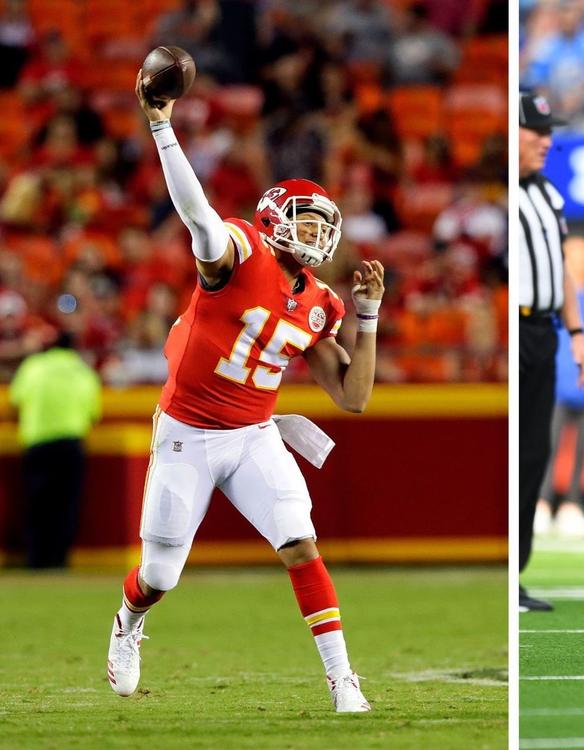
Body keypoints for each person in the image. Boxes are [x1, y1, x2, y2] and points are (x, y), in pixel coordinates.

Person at [106, 73, 384, 712]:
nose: (315, 236)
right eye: (304, 222)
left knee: (300, 542)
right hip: (187, 433)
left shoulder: (321, 302)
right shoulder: (237, 251)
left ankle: (344, 681)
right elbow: (197, 215)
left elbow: (354, 396)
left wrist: (367, 317)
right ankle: (128, 618)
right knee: (159, 575)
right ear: (271, 220)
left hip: (255, 433)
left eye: (322, 226)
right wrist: (162, 127)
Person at [518, 91, 584, 612]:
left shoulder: (547, 193)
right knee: (513, 455)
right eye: (535, 131)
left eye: (549, 132)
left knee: (534, 453)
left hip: (544, 332)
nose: (546, 141)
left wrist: (578, 331)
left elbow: (561, 265)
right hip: (516, 327)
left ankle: (515, 573)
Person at [536, 236, 584, 539]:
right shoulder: (552, 299)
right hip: (557, 386)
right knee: (547, 447)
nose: (581, 261)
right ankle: (541, 504)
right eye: (574, 255)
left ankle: (572, 504)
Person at [10, 330, 101, 568]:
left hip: (37, 443)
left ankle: (36, 559)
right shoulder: (84, 372)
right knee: (66, 505)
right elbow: (94, 413)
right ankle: (59, 559)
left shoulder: (33, 367)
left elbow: (15, 400)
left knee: (37, 503)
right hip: (71, 444)